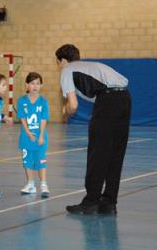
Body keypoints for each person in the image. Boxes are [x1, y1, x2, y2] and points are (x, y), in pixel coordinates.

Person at [56, 44, 131, 214]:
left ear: (62, 60)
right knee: (115, 153)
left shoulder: (67, 70)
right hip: (125, 99)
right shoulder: (91, 66)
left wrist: (65, 112)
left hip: (108, 101)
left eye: (58, 63)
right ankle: (109, 202)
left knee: (98, 153)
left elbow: (73, 105)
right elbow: (97, 96)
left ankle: (91, 202)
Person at [17, 72, 50, 198]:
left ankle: (43, 184)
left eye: (37, 83)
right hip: (26, 137)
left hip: (40, 138)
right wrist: (27, 132)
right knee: (27, 162)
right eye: (32, 83)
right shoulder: (21, 101)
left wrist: (41, 135)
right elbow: (22, 118)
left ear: (41, 85)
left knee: (41, 161)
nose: (35, 86)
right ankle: (30, 184)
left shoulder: (43, 101)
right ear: (27, 85)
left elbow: (44, 119)